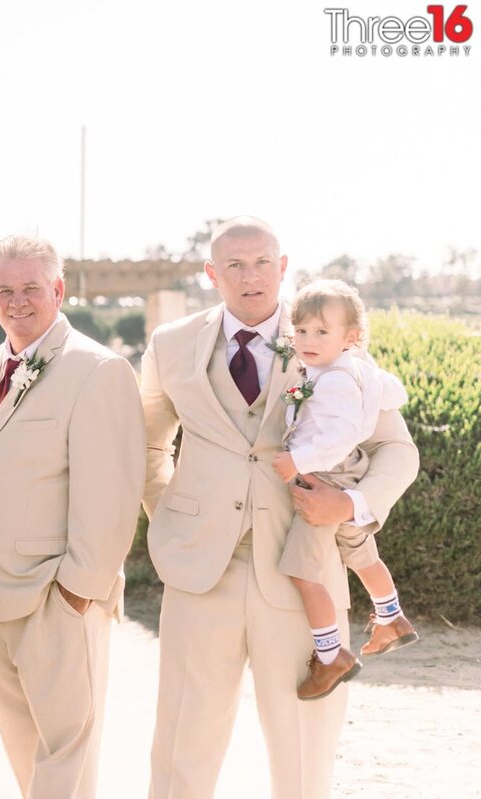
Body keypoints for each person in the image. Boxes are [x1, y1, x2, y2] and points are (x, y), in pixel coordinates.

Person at [140, 216, 420, 798]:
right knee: (181, 746)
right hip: (199, 570)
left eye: (263, 262)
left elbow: (395, 448)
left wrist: (350, 503)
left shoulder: (327, 334)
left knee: (304, 746)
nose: (251, 277)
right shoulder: (170, 345)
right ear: (212, 273)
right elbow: (147, 443)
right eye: (235, 266)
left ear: (283, 266)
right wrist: (171, 515)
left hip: (303, 566)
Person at [0, 234, 145, 798]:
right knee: (26, 758)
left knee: (66, 760)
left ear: (58, 290)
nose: (17, 301)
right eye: (4, 290)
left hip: (54, 600)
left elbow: (112, 493)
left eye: (30, 288)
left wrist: (76, 594)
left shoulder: (98, 369)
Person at [270, 279, 418, 700]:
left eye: (321, 332)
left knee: (303, 572)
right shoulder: (348, 369)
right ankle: (392, 616)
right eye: (301, 332)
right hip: (343, 474)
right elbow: (394, 390)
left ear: (350, 338)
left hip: (326, 479)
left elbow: (339, 437)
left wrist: (297, 462)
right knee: (359, 549)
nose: (307, 341)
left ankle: (330, 654)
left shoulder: (333, 380)